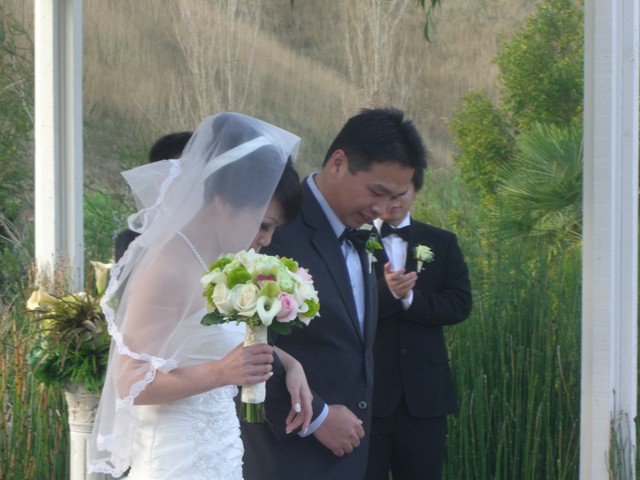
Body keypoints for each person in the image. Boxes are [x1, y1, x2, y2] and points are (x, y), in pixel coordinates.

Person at [88, 113, 313, 479]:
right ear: (223, 201)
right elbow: (130, 382)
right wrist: (220, 372)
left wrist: (289, 363)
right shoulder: (169, 267)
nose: (266, 240)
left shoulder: (218, 263)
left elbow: (204, 341)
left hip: (221, 451)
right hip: (174, 459)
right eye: (263, 224)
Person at [241, 107, 428, 480]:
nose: (382, 209)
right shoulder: (275, 226)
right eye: (376, 191)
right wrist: (319, 417)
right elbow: (242, 341)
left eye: (394, 196)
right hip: (284, 453)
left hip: (348, 453)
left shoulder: (362, 234)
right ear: (339, 163)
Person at [365, 167, 472, 480]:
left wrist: (411, 299)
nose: (394, 201)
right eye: (385, 193)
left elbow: (460, 304)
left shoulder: (442, 241)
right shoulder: (356, 239)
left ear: (416, 191)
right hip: (370, 392)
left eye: (402, 193)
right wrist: (386, 293)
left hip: (426, 395)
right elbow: (344, 304)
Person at [114, 131, 193, 262]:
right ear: (159, 180)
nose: (193, 182)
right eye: (183, 174)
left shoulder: (221, 231)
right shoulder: (134, 240)